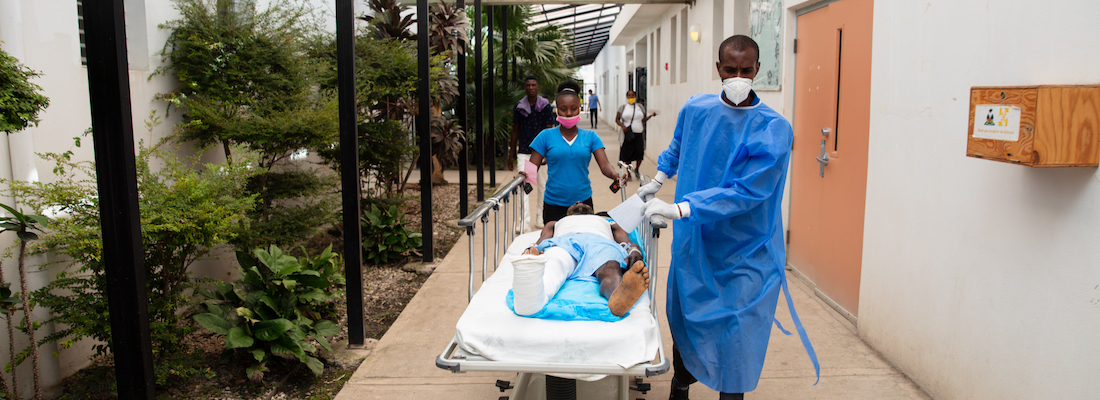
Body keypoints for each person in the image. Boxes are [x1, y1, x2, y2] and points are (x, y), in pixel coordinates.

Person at [639, 35, 815, 400]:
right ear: (718, 68)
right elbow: (677, 145)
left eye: (746, 70)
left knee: (738, 337)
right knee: (686, 322)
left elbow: (748, 192)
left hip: (747, 253)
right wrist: (657, 180)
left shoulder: (773, 128)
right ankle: (680, 386)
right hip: (696, 245)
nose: (738, 76)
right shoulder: (696, 109)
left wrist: (681, 208)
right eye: (731, 69)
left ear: (757, 70)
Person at [511, 202, 649, 317]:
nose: (578, 202)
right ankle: (534, 293)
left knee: (611, 266)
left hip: (599, 242)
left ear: (592, 211)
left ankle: (618, 295)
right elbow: (542, 239)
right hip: (564, 241)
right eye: (575, 203)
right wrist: (532, 250)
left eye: (582, 202)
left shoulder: (607, 221)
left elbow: (624, 239)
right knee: (555, 262)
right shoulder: (555, 223)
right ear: (567, 213)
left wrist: (634, 250)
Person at [526, 80, 621, 224]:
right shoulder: (545, 136)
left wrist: (614, 174)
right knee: (554, 244)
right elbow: (532, 167)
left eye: (573, 108)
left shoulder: (591, 137)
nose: (569, 113)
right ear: (557, 109)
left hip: (583, 204)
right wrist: (524, 176)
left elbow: (605, 165)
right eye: (563, 109)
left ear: (579, 108)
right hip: (553, 205)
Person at [509, 76, 555, 231]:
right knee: (524, 186)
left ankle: (540, 217)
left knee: (542, 185)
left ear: (538, 87)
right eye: (527, 85)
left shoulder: (546, 106)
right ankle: (523, 222)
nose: (530, 88)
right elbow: (515, 131)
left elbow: (550, 130)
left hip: (541, 154)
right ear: (525, 87)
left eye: (533, 85)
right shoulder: (519, 107)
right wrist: (511, 154)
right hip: (524, 152)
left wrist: (547, 153)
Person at [615, 90, 656, 180]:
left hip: (638, 133)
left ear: (635, 96)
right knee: (627, 154)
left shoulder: (640, 107)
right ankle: (629, 172)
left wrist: (650, 116)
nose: (631, 97)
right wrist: (622, 126)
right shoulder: (623, 107)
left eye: (633, 95)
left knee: (639, 153)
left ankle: (637, 169)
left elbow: (643, 119)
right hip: (628, 134)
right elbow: (617, 119)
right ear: (627, 97)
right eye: (629, 95)